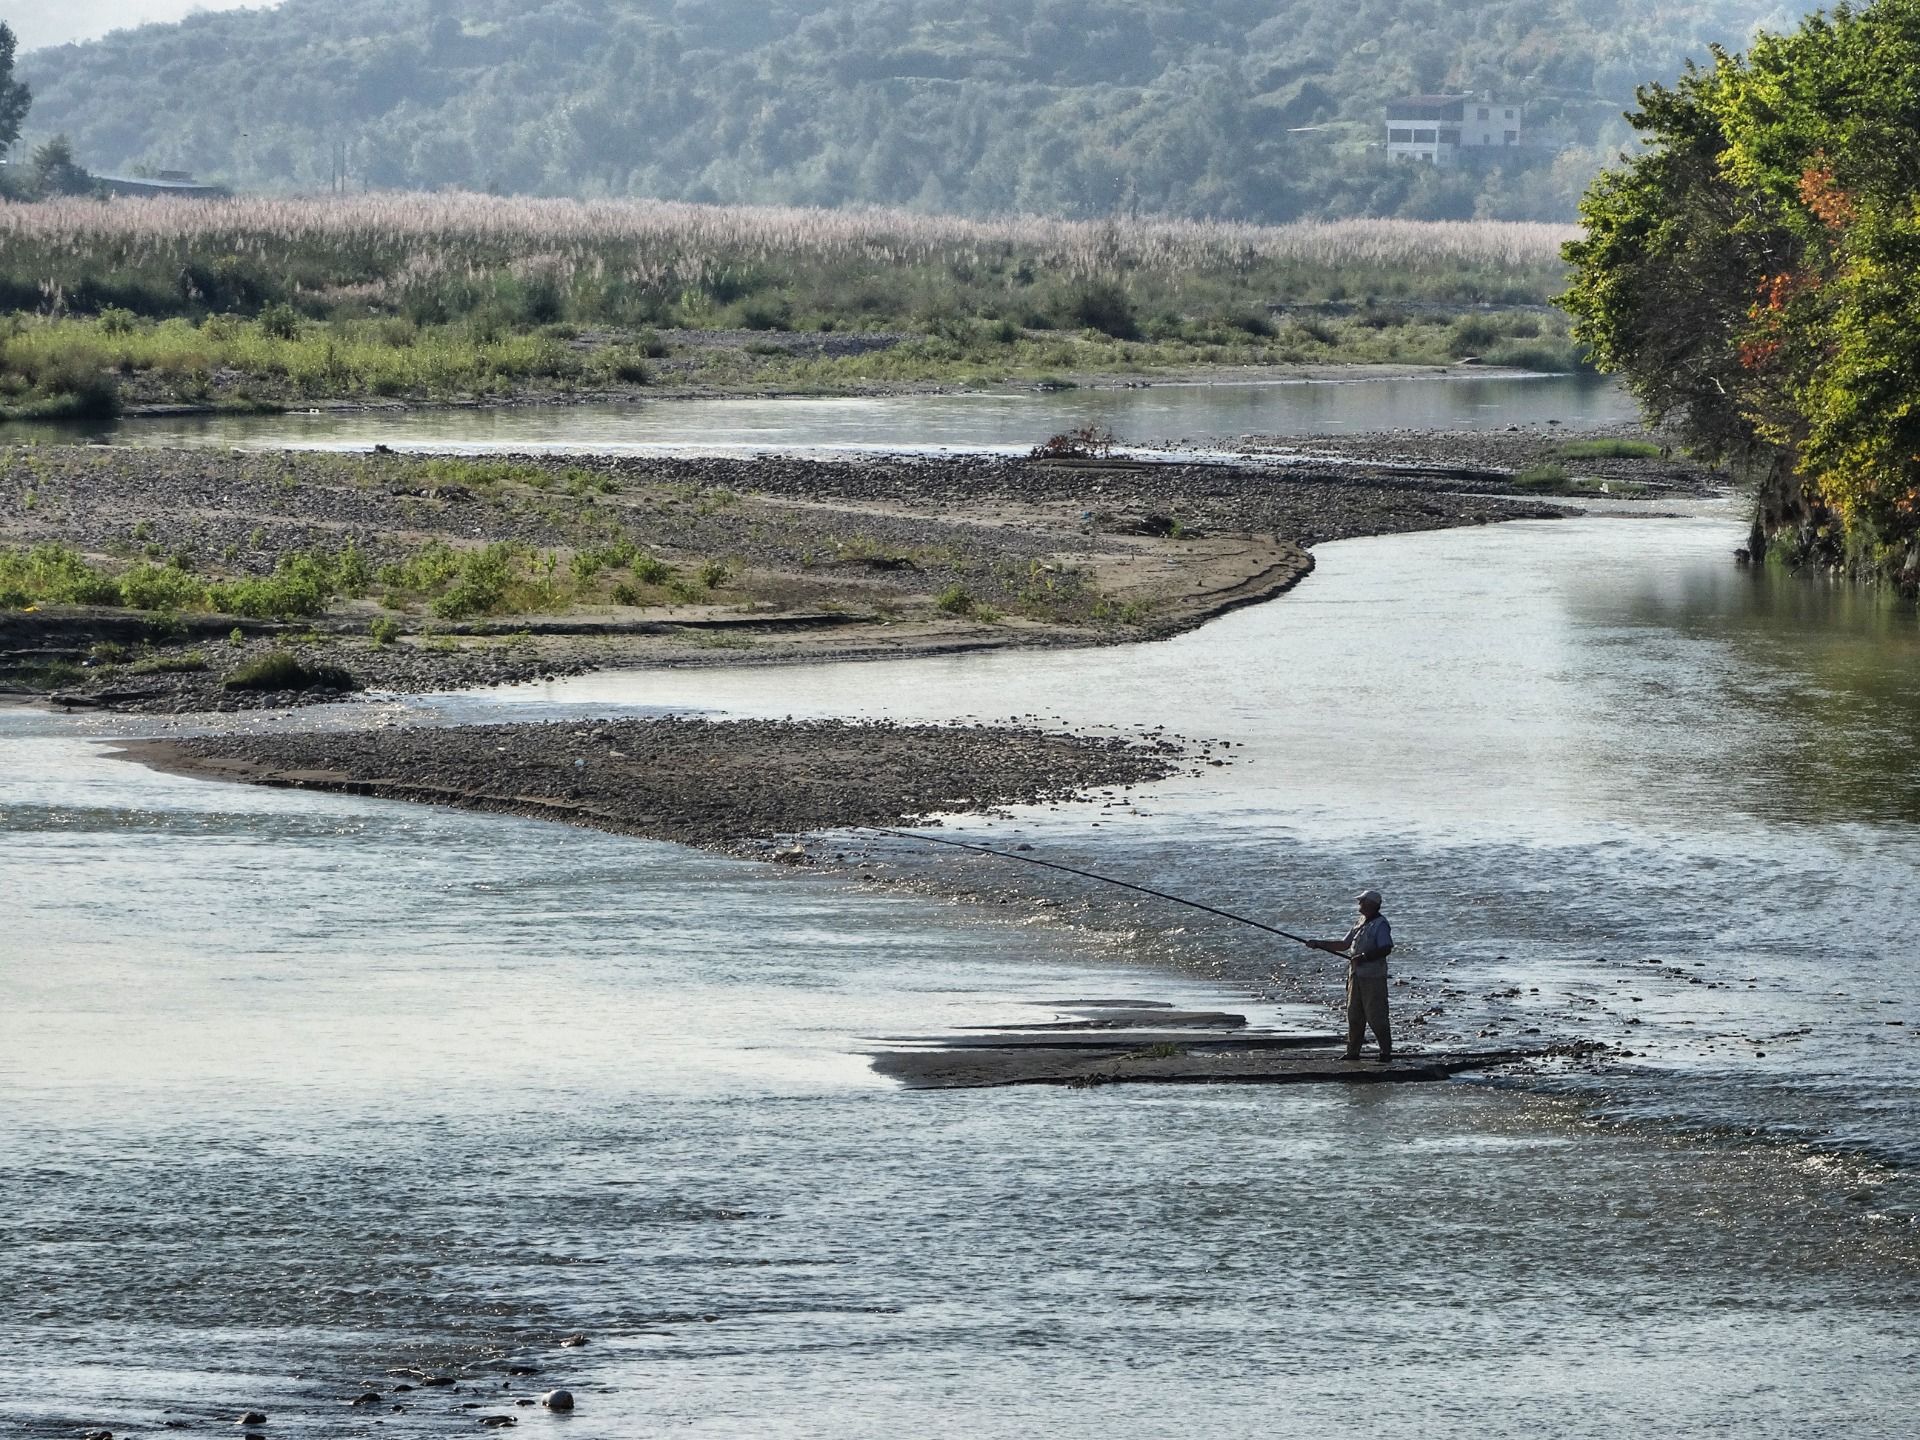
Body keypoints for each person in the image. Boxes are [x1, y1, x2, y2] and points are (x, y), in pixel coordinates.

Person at [1310, 889, 1394, 1063]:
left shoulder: (1381, 924)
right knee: (1353, 1014)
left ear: (1371, 904)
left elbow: (1386, 948)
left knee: (1376, 1015)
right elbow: (1343, 945)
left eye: (1361, 901)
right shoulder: (1360, 922)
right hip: (1355, 976)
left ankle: (1386, 1052)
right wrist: (1319, 944)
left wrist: (1363, 957)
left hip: (1373, 977)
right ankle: (1352, 1052)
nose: (1359, 904)